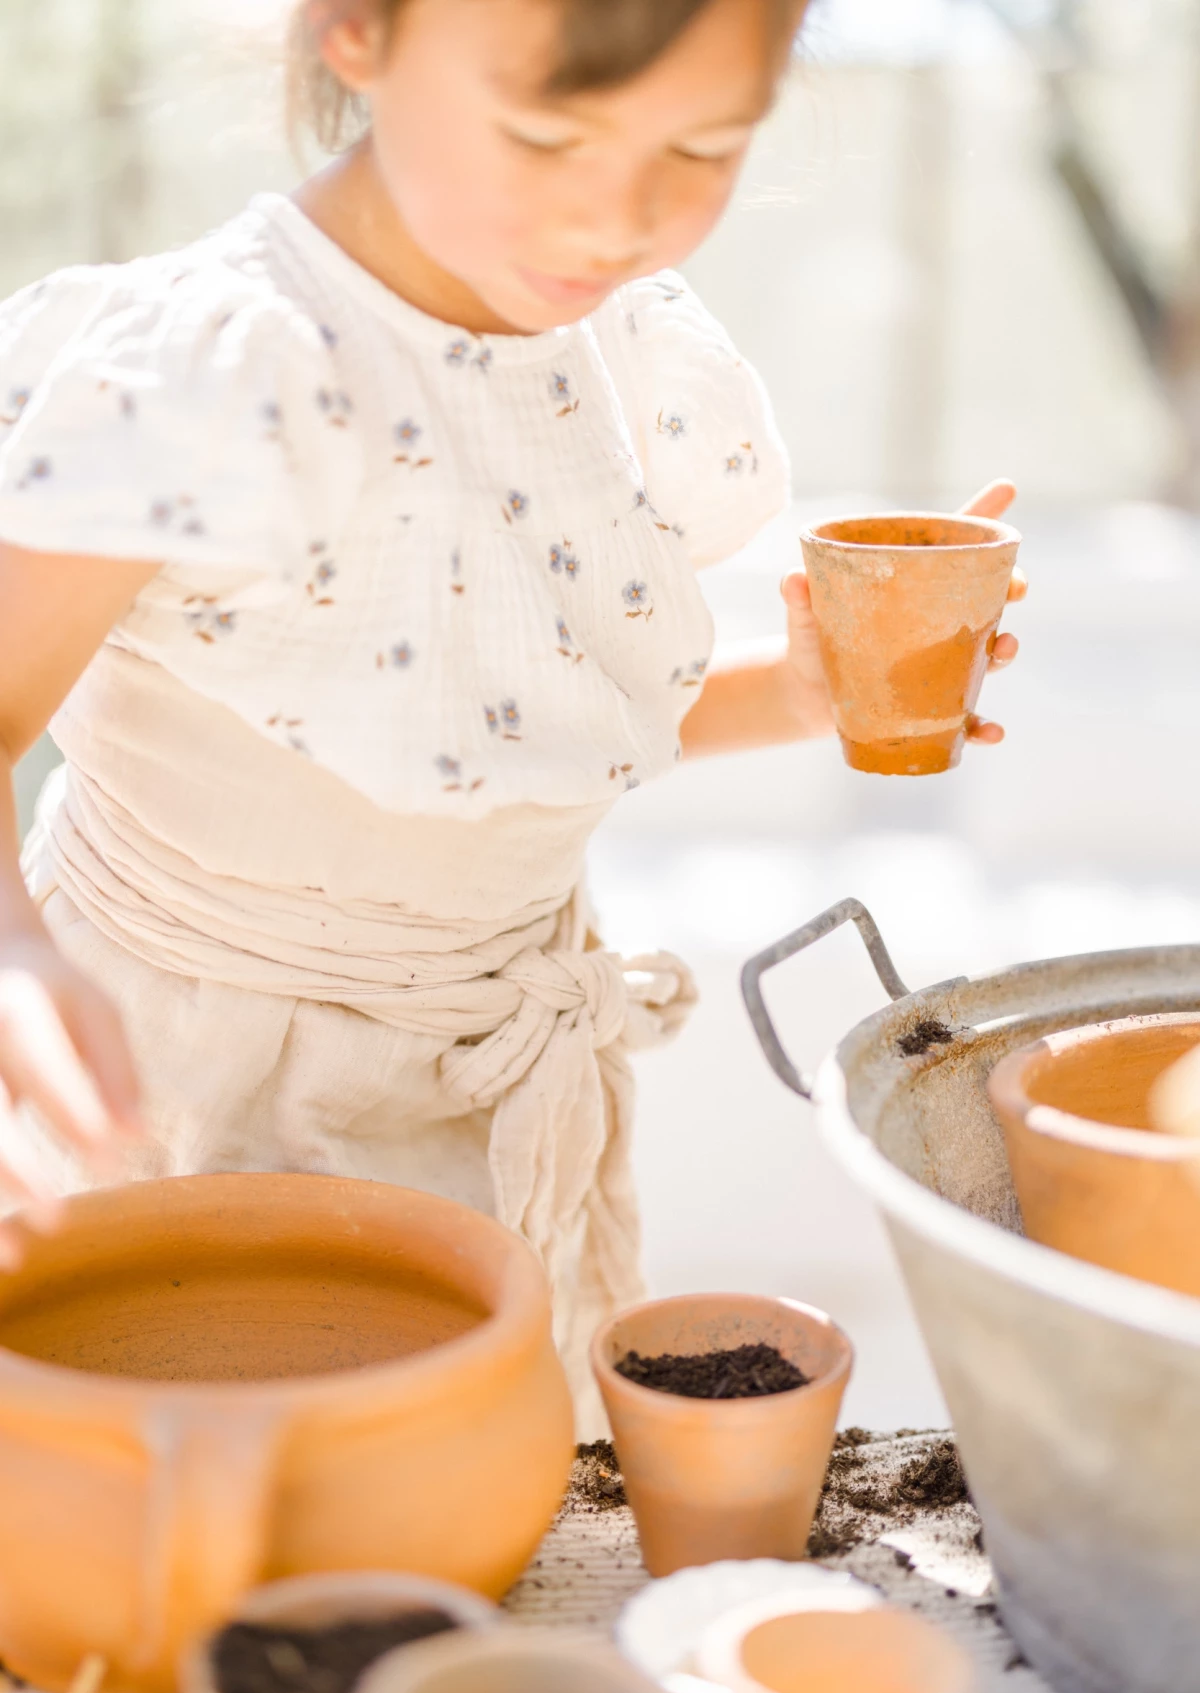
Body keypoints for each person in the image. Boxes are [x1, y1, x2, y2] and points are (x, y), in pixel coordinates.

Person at [0, 0, 1023, 1423]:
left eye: (704, 145)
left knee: (455, 1499)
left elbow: (498, 745)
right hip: (189, 1085)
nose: (619, 217)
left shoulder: (611, 346)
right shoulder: (222, 364)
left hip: (477, 1092)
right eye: (547, 134)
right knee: (194, 1492)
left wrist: (794, 695)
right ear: (356, 33)